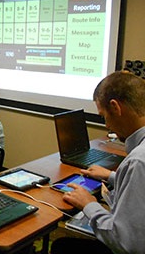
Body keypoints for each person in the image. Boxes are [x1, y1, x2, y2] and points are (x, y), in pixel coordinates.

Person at [51, 71, 145, 254]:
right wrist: (111, 176)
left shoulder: (138, 161)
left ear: (115, 107)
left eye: (104, 116)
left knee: (62, 247)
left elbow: (126, 243)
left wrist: (89, 204)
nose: (107, 125)